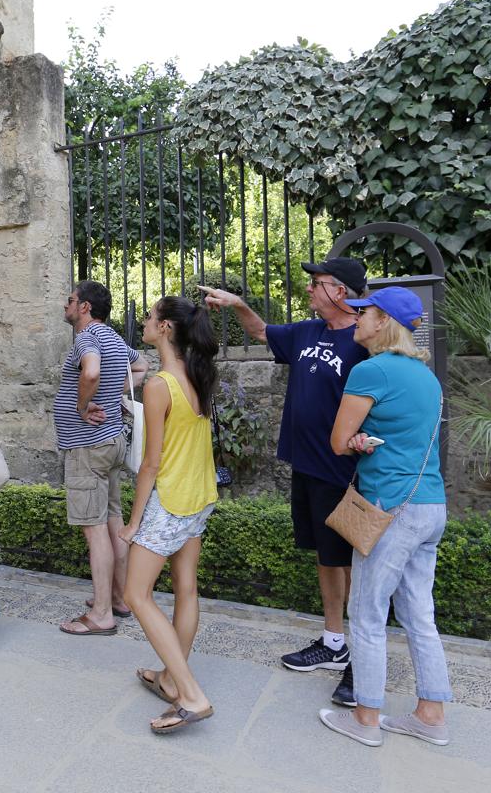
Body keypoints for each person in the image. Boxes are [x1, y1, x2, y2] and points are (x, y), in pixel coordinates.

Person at [199, 256, 369, 707]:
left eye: (318, 283)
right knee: (326, 559)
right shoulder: (305, 332)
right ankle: (335, 643)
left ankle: (362, 661)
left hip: (345, 473)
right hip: (308, 467)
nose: (310, 289)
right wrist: (237, 303)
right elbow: (260, 331)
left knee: (351, 565)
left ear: (343, 292)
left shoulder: (367, 339)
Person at [319, 286, 450, 747]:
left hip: (391, 507)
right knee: (419, 614)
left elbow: (338, 441)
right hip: (431, 505)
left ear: (384, 322)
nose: (356, 319)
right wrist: (364, 440)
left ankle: (367, 720)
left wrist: (354, 441)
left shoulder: (370, 370)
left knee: (367, 614)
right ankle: (430, 715)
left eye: (364, 313)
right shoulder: (425, 375)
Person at [116, 296, 219, 733]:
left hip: (170, 500)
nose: (143, 321)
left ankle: (190, 694)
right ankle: (168, 680)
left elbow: (151, 463)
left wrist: (134, 522)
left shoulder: (158, 384)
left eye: (149, 317)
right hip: (199, 497)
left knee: (137, 595)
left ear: (165, 329)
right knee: (186, 591)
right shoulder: (197, 376)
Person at [56, 280, 149, 636]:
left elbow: (91, 371)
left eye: (71, 300)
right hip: (109, 443)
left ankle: (101, 615)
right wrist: (114, 395)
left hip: (87, 446)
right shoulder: (112, 338)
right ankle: (120, 598)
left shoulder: (87, 338)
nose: (67, 305)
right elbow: (142, 366)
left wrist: (82, 406)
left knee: (94, 530)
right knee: (112, 521)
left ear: (84, 307)